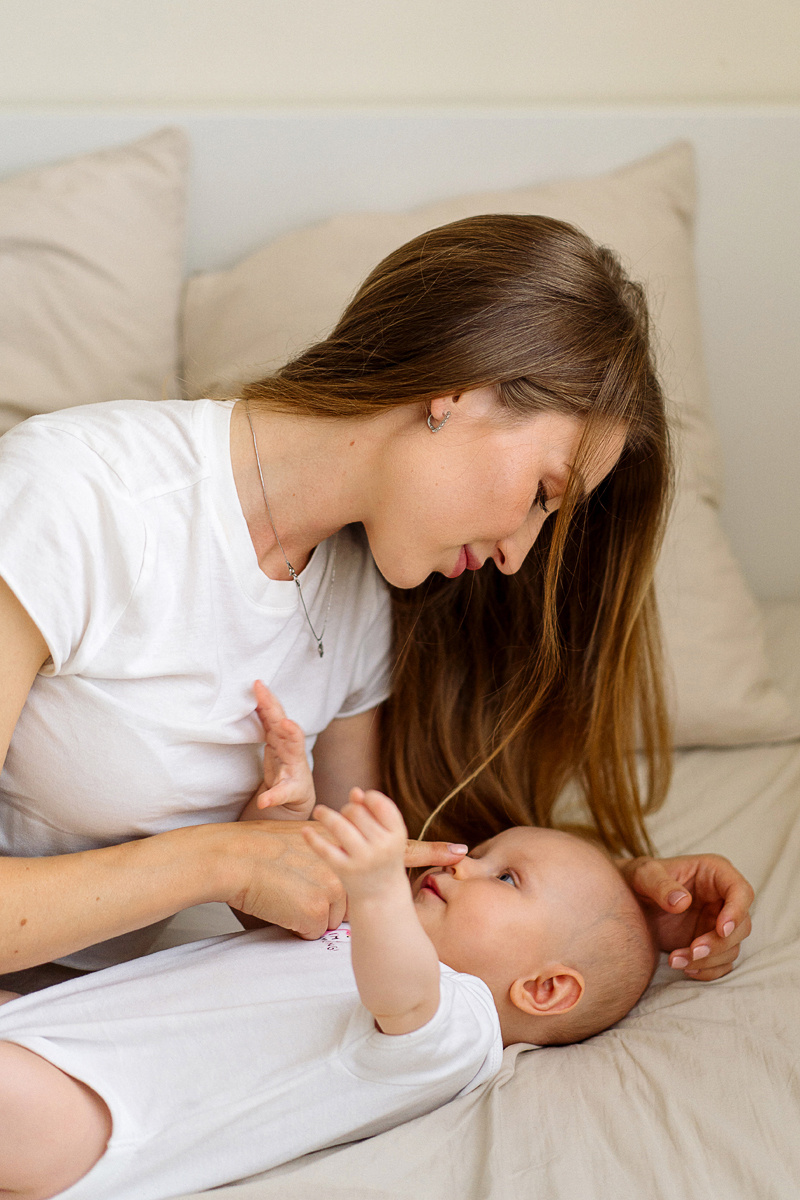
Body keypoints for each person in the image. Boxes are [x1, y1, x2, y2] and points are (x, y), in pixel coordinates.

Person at [0, 213, 753, 988]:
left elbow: (357, 894)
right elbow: (253, 868)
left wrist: (614, 912)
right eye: (540, 494)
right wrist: (223, 859)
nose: (517, 555)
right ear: (455, 391)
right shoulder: (73, 497)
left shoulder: (357, 594)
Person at [0, 788, 659, 1200]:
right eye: (480, 852)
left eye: (506, 879)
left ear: (543, 989)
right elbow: (278, 916)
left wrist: (376, 892)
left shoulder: (462, 1029)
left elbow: (403, 997)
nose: (461, 863)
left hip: (101, 1118)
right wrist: (286, 815)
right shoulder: (367, 934)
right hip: (57, 1032)